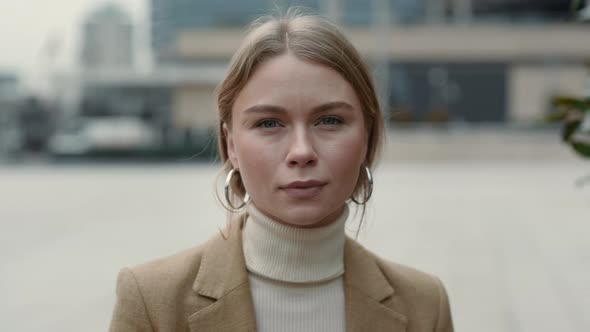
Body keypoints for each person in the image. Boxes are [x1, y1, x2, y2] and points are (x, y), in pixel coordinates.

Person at [109, 10, 454, 332]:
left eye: (330, 120)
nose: (301, 152)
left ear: (367, 136)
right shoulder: (152, 302)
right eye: (269, 123)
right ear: (231, 145)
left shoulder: (425, 306)